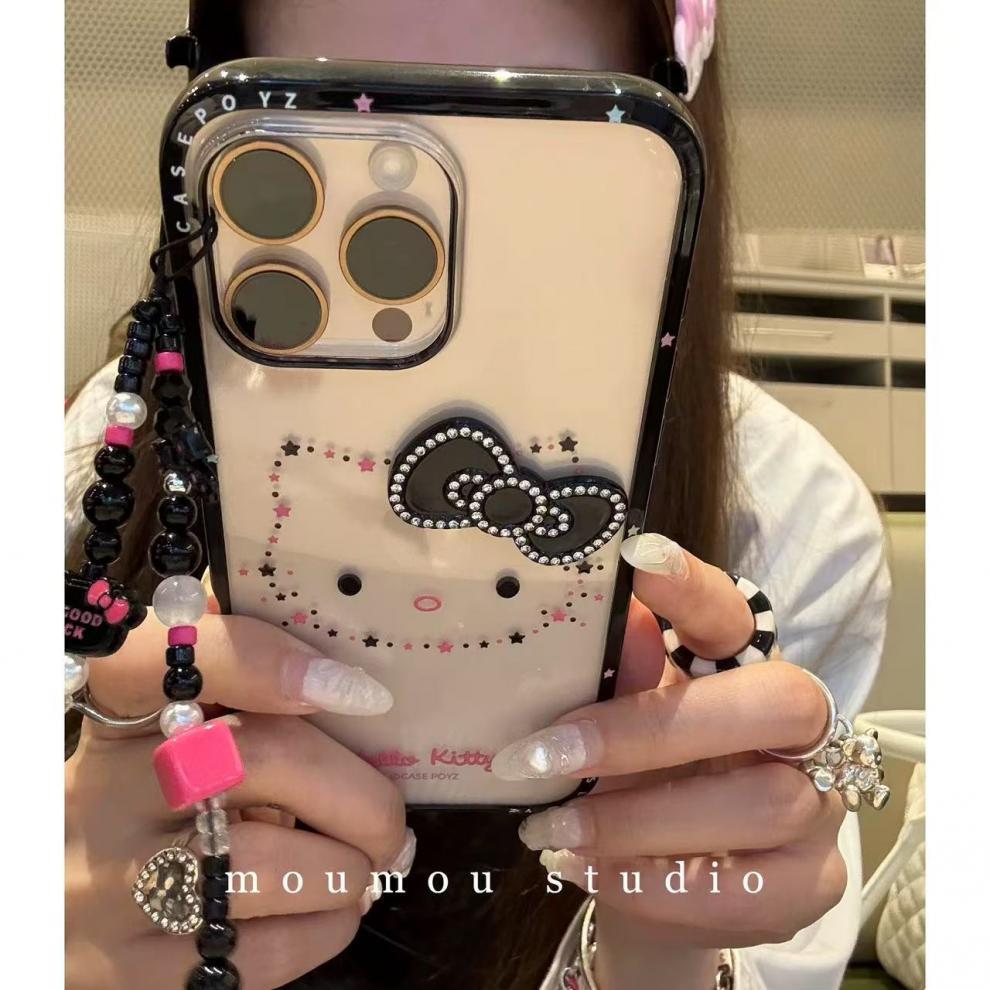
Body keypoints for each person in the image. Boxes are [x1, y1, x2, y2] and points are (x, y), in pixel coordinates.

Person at [64, 2, 891, 988]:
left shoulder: (790, 514)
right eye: (332, 149)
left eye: (540, 169)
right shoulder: (109, 451)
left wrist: (665, 946)